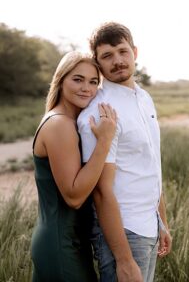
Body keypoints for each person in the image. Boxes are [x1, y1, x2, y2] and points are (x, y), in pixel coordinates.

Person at [78, 23, 170, 282]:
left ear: (135, 52)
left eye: (122, 51)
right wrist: (124, 260)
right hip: (124, 232)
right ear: (97, 62)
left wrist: (161, 221)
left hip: (149, 224)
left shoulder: (144, 97)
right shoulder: (99, 113)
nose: (117, 61)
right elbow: (100, 191)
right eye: (107, 55)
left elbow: (151, 165)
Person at [31, 53, 118, 282]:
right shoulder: (60, 124)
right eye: (77, 79)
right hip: (61, 244)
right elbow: (74, 197)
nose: (86, 88)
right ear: (60, 80)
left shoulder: (68, 122)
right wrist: (104, 142)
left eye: (92, 82)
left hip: (69, 241)